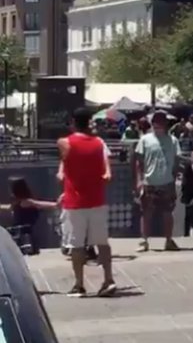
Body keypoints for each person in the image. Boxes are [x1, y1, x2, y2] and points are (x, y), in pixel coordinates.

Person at [58, 107, 116, 297]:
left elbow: (62, 167)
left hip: (75, 202)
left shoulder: (65, 142)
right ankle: (108, 280)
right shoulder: (99, 143)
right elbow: (107, 174)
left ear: (73, 122)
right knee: (102, 243)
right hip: (97, 200)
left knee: (76, 245)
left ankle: (79, 285)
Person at [134, 111, 181, 253]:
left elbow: (177, 160)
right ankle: (144, 240)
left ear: (166, 123)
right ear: (152, 123)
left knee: (168, 213)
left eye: (161, 121)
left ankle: (168, 240)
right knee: (146, 212)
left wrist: (174, 176)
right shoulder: (145, 140)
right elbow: (138, 162)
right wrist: (139, 180)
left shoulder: (173, 140)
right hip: (149, 182)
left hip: (167, 182)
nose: (158, 124)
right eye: (156, 121)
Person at [0, 177, 58, 255]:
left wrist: (57, 205)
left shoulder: (26, 202)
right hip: (18, 232)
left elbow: (39, 204)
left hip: (24, 233)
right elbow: (8, 207)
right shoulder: (17, 202)